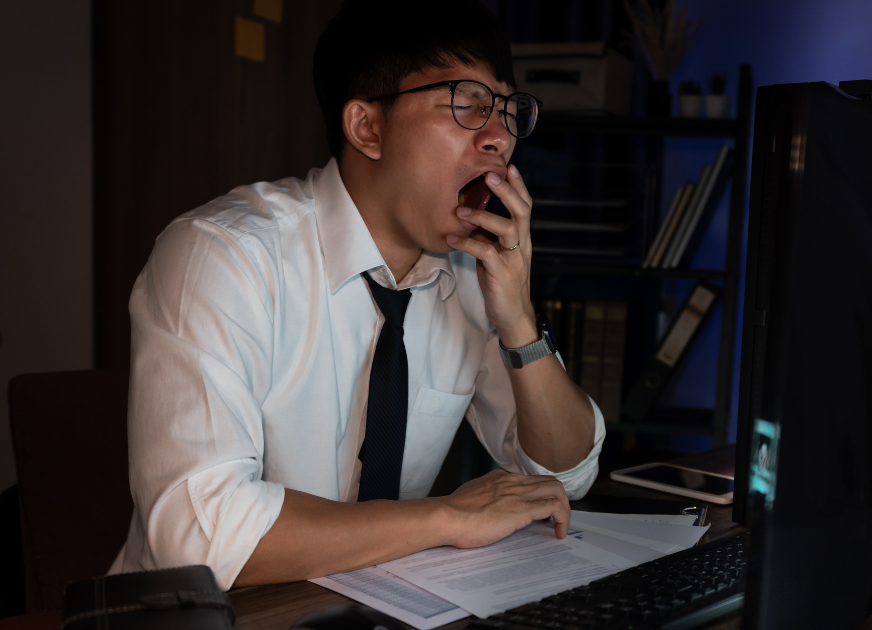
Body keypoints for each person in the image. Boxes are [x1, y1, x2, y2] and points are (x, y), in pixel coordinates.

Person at [108, 0, 605, 590]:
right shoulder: (221, 256)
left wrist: (520, 324)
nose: (500, 137)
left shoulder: (470, 276)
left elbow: (565, 473)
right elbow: (201, 536)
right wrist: (447, 516)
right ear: (367, 127)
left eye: (507, 109)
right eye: (468, 104)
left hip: (366, 604)